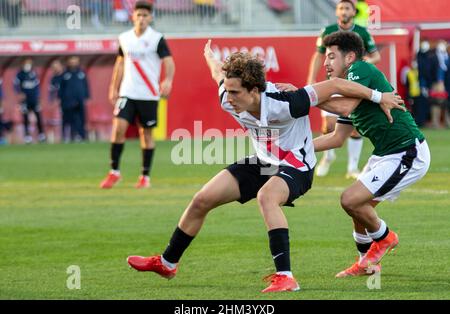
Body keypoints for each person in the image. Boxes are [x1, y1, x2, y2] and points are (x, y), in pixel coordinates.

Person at [125, 40, 404, 293]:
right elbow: (217, 75)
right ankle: (167, 262)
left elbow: (334, 87)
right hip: (265, 162)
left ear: (255, 90)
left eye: (235, 92)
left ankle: (286, 277)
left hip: (297, 166)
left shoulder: (287, 102)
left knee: (267, 197)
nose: (229, 98)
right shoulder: (228, 97)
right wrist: (209, 56)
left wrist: (379, 97)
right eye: (228, 90)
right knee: (202, 200)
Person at [312, 31, 430, 277]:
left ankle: (386, 238)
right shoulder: (353, 89)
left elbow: (343, 106)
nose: (326, 62)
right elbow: (337, 138)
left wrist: (302, 98)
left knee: (350, 200)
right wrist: (298, 148)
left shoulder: (359, 70)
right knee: (357, 208)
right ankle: (365, 264)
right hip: (386, 154)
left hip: (407, 151)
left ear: (350, 57)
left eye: (332, 56)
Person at [100, 1, 175, 189]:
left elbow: (169, 62)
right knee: (118, 128)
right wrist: (113, 87)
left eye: (145, 15)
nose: (141, 18)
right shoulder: (124, 38)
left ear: (150, 18)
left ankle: (145, 176)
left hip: (149, 94)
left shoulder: (157, 38)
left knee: (146, 134)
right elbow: (119, 63)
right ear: (133, 16)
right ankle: (114, 172)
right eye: (138, 15)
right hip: (128, 92)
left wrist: (168, 80)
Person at [307, 0, 381, 179]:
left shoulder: (362, 32)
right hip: (332, 82)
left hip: (354, 83)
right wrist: (310, 79)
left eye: (347, 8)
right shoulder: (328, 31)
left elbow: (375, 56)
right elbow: (318, 56)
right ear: (337, 12)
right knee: (330, 125)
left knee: (354, 126)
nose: (343, 11)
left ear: (353, 11)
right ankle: (328, 156)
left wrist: (360, 65)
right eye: (340, 8)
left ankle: (352, 166)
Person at [14, 58, 46, 144]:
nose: (28, 65)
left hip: (34, 99)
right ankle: (27, 136)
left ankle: (41, 134)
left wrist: (38, 98)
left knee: (38, 116)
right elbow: (16, 85)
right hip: (25, 100)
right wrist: (20, 93)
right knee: (25, 117)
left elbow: (37, 87)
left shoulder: (34, 73)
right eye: (26, 63)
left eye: (29, 63)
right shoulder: (20, 74)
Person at [58, 56, 90, 142]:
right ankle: (70, 136)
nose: (74, 62)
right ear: (68, 62)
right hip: (68, 101)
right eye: (72, 61)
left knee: (81, 118)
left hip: (80, 100)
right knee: (70, 119)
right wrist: (61, 99)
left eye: (75, 61)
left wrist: (87, 96)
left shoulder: (81, 73)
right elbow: (61, 88)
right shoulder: (65, 74)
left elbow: (86, 86)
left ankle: (82, 136)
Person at [49, 60, 64, 141]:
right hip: (58, 102)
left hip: (67, 101)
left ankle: (74, 135)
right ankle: (62, 136)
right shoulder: (53, 79)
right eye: (53, 68)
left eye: (56, 67)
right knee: (60, 119)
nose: (55, 69)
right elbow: (51, 91)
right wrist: (52, 100)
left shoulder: (66, 76)